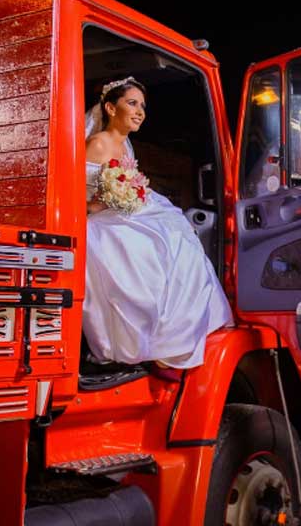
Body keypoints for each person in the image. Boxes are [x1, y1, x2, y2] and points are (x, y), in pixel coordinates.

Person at [82, 76, 233, 378]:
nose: (140, 112)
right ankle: (142, 343)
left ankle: (172, 339)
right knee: (146, 250)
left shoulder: (126, 145)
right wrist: (109, 199)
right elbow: (81, 198)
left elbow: (130, 185)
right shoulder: (97, 143)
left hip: (124, 211)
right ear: (110, 108)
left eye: (143, 106)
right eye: (132, 103)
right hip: (99, 220)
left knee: (179, 237)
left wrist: (128, 194)